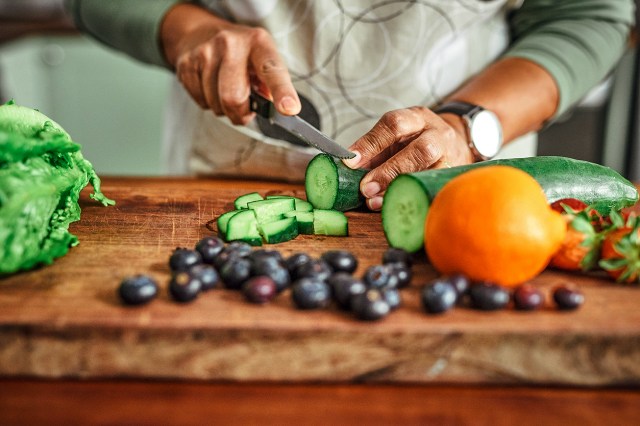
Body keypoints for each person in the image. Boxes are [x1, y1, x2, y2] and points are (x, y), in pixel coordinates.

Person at [65, 0, 635, 210]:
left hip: (468, 181)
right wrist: (186, 30)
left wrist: (471, 125)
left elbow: (586, 14)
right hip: (219, 166)